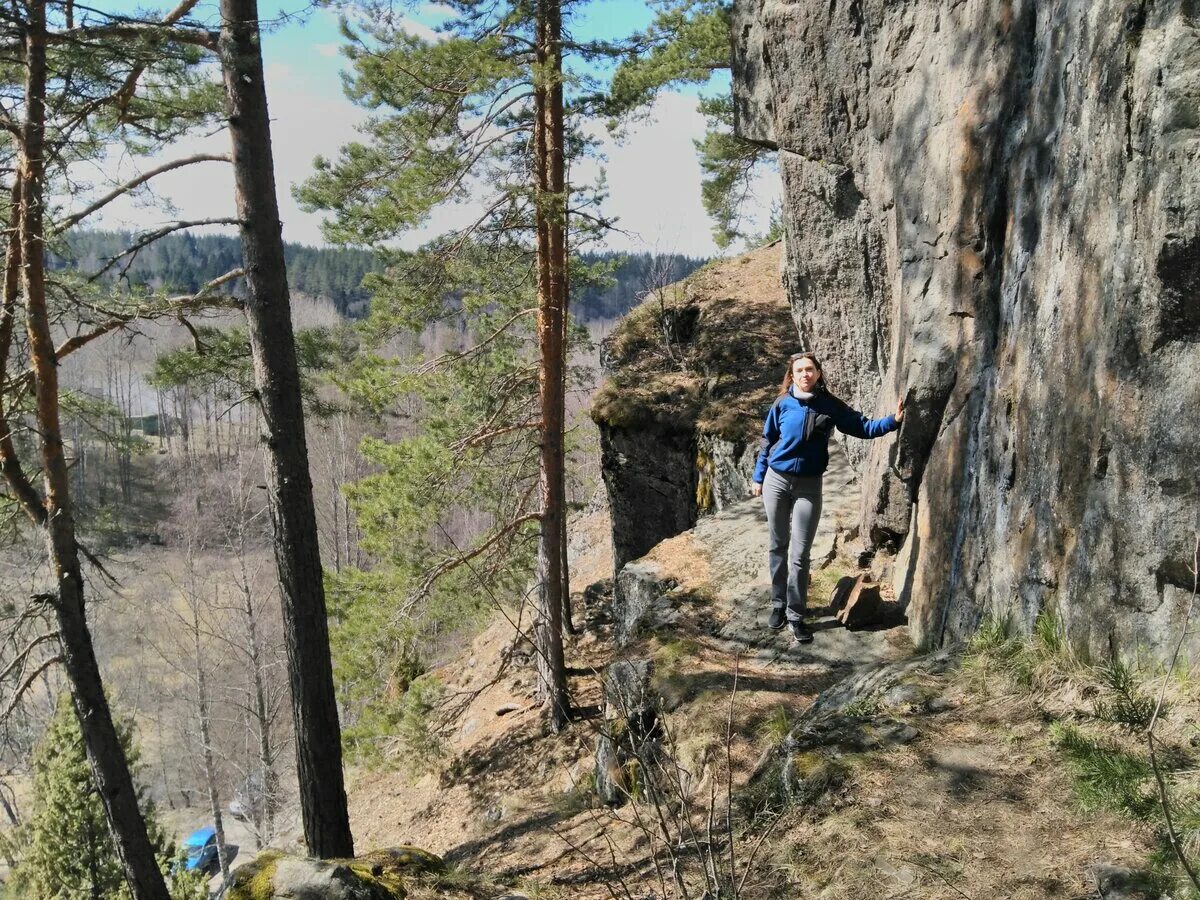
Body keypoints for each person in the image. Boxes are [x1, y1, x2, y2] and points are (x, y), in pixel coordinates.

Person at [751, 352, 904, 644]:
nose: (805, 375)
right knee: (778, 544)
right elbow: (768, 440)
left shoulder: (829, 406)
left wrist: (892, 421)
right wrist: (759, 477)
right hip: (777, 482)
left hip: (809, 485)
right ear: (792, 375)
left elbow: (862, 427)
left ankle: (796, 615)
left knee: (800, 553)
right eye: (799, 371)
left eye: (810, 370)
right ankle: (778, 604)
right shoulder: (782, 404)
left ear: (818, 373)